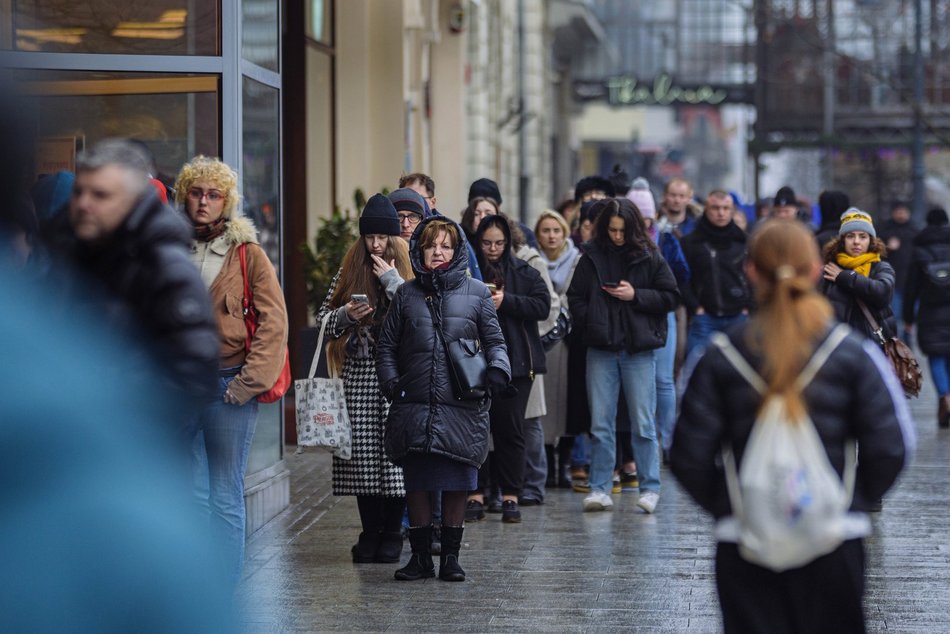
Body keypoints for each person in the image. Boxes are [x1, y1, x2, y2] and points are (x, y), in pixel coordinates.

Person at [671, 219, 912, 633]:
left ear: (750, 271)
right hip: (835, 537)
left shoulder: (720, 355)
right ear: (816, 270)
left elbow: (685, 451)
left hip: (745, 540)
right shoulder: (852, 353)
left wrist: (732, 506)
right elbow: (892, 446)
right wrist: (849, 503)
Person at [174, 156, 289, 589]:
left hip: (228, 385)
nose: (203, 202)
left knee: (223, 493)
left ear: (227, 202)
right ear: (185, 196)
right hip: (179, 384)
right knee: (186, 491)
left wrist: (247, 385)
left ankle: (220, 590)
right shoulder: (168, 246)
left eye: (213, 194)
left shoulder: (247, 254)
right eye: (196, 193)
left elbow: (274, 322)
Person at [42, 138, 219, 418]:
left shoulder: (163, 264)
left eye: (100, 195)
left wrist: (129, 423)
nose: (84, 204)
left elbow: (194, 374)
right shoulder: (59, 251)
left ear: (132, 201)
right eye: (79, 192)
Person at [376, 216, 510, 582]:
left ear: (456, 251)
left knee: (457, 481)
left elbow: (496, 341)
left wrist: (498, 370)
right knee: (418, 481)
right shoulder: (405, 294)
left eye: (446, 246)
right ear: (419, 250)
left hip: (463, 404)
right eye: (431, 245)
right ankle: (420, 559)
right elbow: (386, 345)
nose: (438, 252)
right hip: (415, 403)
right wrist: (391, 383)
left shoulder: (477, 292)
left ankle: (450, 558)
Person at [316, 193, 414, 564]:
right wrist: (347, 314)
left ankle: (392, 532)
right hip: (357, 376)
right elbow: (323, 320)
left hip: (396, 376)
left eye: (382, 237)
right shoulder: (349, 270)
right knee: (360, 460)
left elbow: (419, 318)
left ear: (394, 239)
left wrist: (391, 281)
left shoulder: (406, 271)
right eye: (369, 237)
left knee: (393, 461)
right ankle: (369, 531)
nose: (375, 244)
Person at [567, 198, 680, 513]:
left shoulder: (650, 255)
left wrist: (636, 295)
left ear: (632, 229)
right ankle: (600, 487)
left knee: (643, 422)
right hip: (601, 347)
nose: (617, 236)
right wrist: (591, 319)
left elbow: (671, 296)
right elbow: (574, 297)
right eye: (612, 230)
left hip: (637, 349)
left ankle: (650, 487)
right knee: (601, 423)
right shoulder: (590, 256)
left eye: (622, 230)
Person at [466, 214, 550, 523]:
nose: (492, 249)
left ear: (508, 242)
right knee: (476, 429)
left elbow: (543, 305)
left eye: (499, 243)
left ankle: (510, 494)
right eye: (487, 243)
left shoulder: (524, 271)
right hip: (475, 361)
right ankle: (475, 492)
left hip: (517, 363)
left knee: (511, 429)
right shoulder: (468, 270)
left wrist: (507, 301)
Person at [628, 179, 690, 462]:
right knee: (641, 379)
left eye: (646, 216)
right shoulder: (621, 241)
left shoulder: (666, 239)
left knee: (664, 380)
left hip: (663, 312)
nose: (642, 222)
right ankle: (644, 438)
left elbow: (682, 275)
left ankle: (666, 439)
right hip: (632, 313)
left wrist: (659, 289)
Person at [510, 220, 560, 506]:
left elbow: (550, 306)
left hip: (525, 350)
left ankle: (534, 482)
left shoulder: (530, 261)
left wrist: (529, 335)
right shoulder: (476, 259)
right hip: (496, 350)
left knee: (529, 421)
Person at [535, 210, 583, 488]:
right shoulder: (532, 261)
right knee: (545, 407)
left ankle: (563, 466)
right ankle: (547, 466)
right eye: (546, 230)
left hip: (567, 340)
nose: (551, 236)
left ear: (564, 233)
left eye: (556, 230)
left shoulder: (576, 261)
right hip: (541, 339)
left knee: (566, 404)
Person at [679, 190, 752, 357]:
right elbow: (681, 277)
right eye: (715, 208)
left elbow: (755, 276)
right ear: (706, 209)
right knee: (695, 370)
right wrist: (695, 306)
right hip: (705, 318)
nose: (721, 213)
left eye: (726, 208)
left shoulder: (744, 242)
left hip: (739, 316)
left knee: (739, 373)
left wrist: (749, 306)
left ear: (732, 210)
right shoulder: (690, 243)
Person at [903, 207, 950, 428]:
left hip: (930, 311)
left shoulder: (920, 250)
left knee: (936, 356)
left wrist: (908, 318)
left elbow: (911, 287)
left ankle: (945, 396)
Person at [820, 208, 896, 342]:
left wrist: (845, 277)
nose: (856, 242)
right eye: (850, 236)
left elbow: (883, 293)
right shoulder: (830, 268)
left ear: (870, 241)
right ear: (842, 240)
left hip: (873, 344)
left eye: (862, 236)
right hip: (838, 344)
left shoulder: (880, 267)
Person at [400, 172, 482, 281]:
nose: (412, 204)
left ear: (433, 202)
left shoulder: (451, 233)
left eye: (419, 198)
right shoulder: (388, 235)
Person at [878, 201, 920, 331]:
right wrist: (888, 248)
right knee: (895, 315)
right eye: (898, 211)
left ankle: (909, 341)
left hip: (912, 280)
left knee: (912, 317)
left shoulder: (915, 230)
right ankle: (899, 343)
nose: (901, 214)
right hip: (893, 280)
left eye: (903, 211)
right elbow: (876, 254)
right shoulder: (885, 230)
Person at [467, 177, 538, 248]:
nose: (482, 217)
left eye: (488, 213)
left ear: (497, 208)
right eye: (477, 213)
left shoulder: (523, 235)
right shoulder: (460, 236)